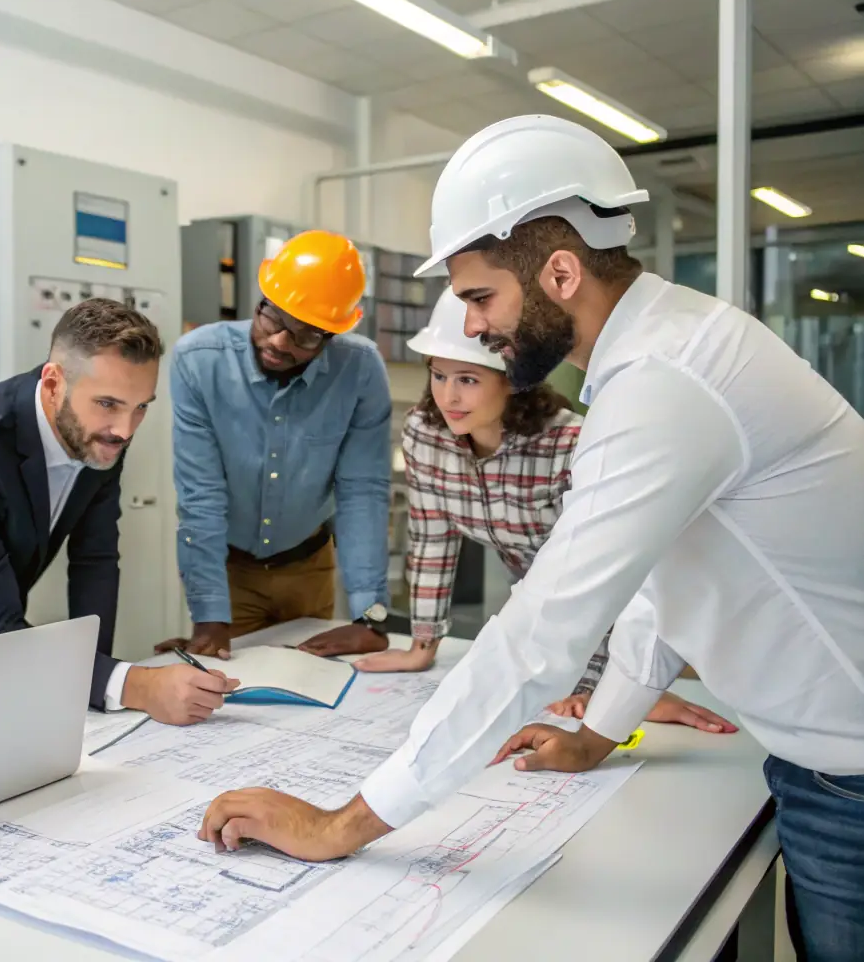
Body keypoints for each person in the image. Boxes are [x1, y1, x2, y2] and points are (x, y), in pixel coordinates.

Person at [197, 115, 864, 962]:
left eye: (480, 297)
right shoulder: (672, 351)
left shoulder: (663, 383)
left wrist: (342, 824)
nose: (471, 326)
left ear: (559, 272)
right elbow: (666, 583)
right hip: (824, 765)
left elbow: (543, 632)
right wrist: (597, 734)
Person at [302, 288, 734, 733]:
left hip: (661, 612)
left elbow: (607, 574)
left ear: (511, 379)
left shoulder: (572, 445)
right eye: (439, 375)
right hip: (558, 621)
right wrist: (422, 646)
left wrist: (605, 685)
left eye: (468, 380)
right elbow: (433, 542)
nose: (448, 396)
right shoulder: (425, 435)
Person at [0, 298, 237, 726]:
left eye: (141, 407)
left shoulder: (100, 433)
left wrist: (96, 684)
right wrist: (131, 684)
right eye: (108, 404)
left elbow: (95, 559)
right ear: (54, 383)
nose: (125, 429)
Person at [156, 230, 392, 662]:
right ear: (261, 299)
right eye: (273, 318)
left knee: (309, 686)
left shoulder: (359, 370)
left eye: (306, 335)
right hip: (231, 571)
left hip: (309, 567)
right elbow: (200, 495)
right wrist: (209, 614)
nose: (280, 342)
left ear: (331, 335)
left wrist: (369, 615)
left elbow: (362, 491)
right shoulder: (199, 361)